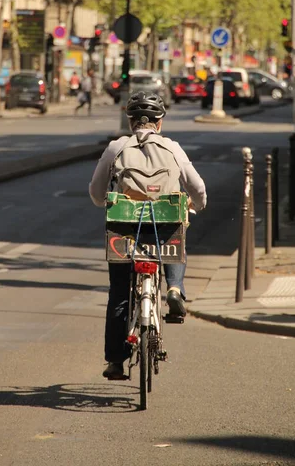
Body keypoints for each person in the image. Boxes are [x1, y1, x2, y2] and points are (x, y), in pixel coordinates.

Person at [89, 91, 207, 380]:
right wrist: (196, 206)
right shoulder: (172, 147)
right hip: (164, 225)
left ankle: (116, 361)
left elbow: (95, 193)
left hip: (123, 227)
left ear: (131, 122)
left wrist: (107, 199)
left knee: (119, 293)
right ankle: (175, 288)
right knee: (177, 230)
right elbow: (198, 189)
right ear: (160, 122)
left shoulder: (116, 147)